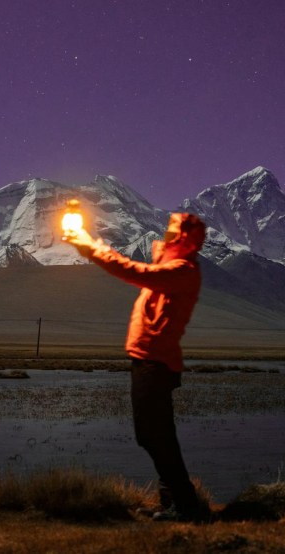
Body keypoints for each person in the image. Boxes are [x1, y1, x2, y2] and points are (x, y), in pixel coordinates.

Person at [63, 211, 210, 522]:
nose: (167, 236)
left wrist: (92, 248)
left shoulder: (181, 271)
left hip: (156, 364)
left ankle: (185, 506)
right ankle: (174, 503)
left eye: (173, 233)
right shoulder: (172, 269)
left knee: (156, 436)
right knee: (153, 435)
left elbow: (134, 271)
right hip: (149, 361)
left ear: (184, 239)